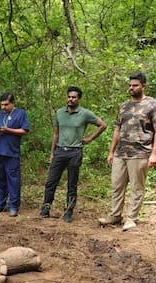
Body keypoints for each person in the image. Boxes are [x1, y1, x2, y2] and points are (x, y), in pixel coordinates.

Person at [98, 72, 156, 231]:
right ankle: (115, 215)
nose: (131, 88)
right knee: (117, 185)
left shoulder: (153, 105)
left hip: (140, 152)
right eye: (130, 85)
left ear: (143, 86)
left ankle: (131, 218)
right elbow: (117, 128)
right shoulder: (124, 106)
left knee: (136, 187)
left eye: (135, 85)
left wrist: (154, 153)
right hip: (121, 153)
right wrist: (111, 151)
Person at [39, 86, 107, 222]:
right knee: (51, 181)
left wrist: (89, 139)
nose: (71, 99)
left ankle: (69, 210)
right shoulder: (59, 113)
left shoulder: (85, 113)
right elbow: (56, 134)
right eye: (69, 97)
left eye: (74, 97)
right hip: (60, 151)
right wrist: (52, 152)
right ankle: (46, 207)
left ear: (79, 99)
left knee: (72, 183)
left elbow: (102, 125)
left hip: (75, 152)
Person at [0, 93, 30, 217]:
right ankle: (0, 204)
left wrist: (8, 130)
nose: (3, 107)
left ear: (12, 103)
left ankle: (13, 206)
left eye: (6, 104)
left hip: (11, 153)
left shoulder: (20, 114)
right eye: (2, 105)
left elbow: (24, 130)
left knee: (13, 180)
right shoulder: (0, 114)